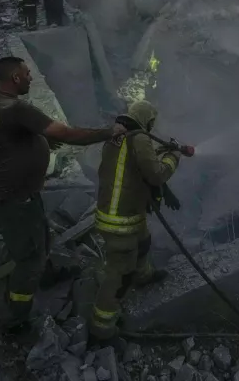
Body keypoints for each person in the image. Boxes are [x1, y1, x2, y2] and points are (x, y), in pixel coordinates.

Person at [0, 56, 126, 333]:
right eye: (27, 74)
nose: (31, 78)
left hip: (12, 195)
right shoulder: (16, 109)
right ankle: (15, 313)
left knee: (41, 238)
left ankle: (47, 273)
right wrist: (109, 132)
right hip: (15, 200)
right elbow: (67, 134)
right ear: (16, 78)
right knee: (28, 260)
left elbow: (5, 140)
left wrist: (39, 141)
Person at [90, 100, 182, 345]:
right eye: (152, 122)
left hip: (117, 211)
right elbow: (155, 174)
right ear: (147, 120)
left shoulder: (118, 136)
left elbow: (135, 163)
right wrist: (173, 157)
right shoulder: (139, 139)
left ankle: (143, 276)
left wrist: (160, 152)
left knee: (144, 241)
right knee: (119, 273)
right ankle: (102, 328)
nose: (153, 127)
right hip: (121, 219)